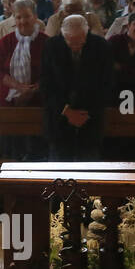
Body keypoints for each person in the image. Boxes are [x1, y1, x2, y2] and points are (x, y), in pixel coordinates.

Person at [40, 14, 114, 161]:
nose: (75, 47)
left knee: (88, 171)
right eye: (70, 41)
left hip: (90, 119)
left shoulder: (100, 46)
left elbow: (107, 83)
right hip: (58, 119)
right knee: (58, 172)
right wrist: (66, 111)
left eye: (80, 41)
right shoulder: (52, 46)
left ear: (86, 34)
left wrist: (87, 112)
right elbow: (46, 84)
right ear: (63, 35)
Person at [0, 0, 46, 107]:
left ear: (35, 17)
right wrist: (19, 87)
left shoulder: (46, 42)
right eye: (18, 17)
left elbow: (52, 71)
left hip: (38, 100)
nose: (23, 21)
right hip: (8, 99)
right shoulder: (6, 41)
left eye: (27, 16)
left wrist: (32, 90)